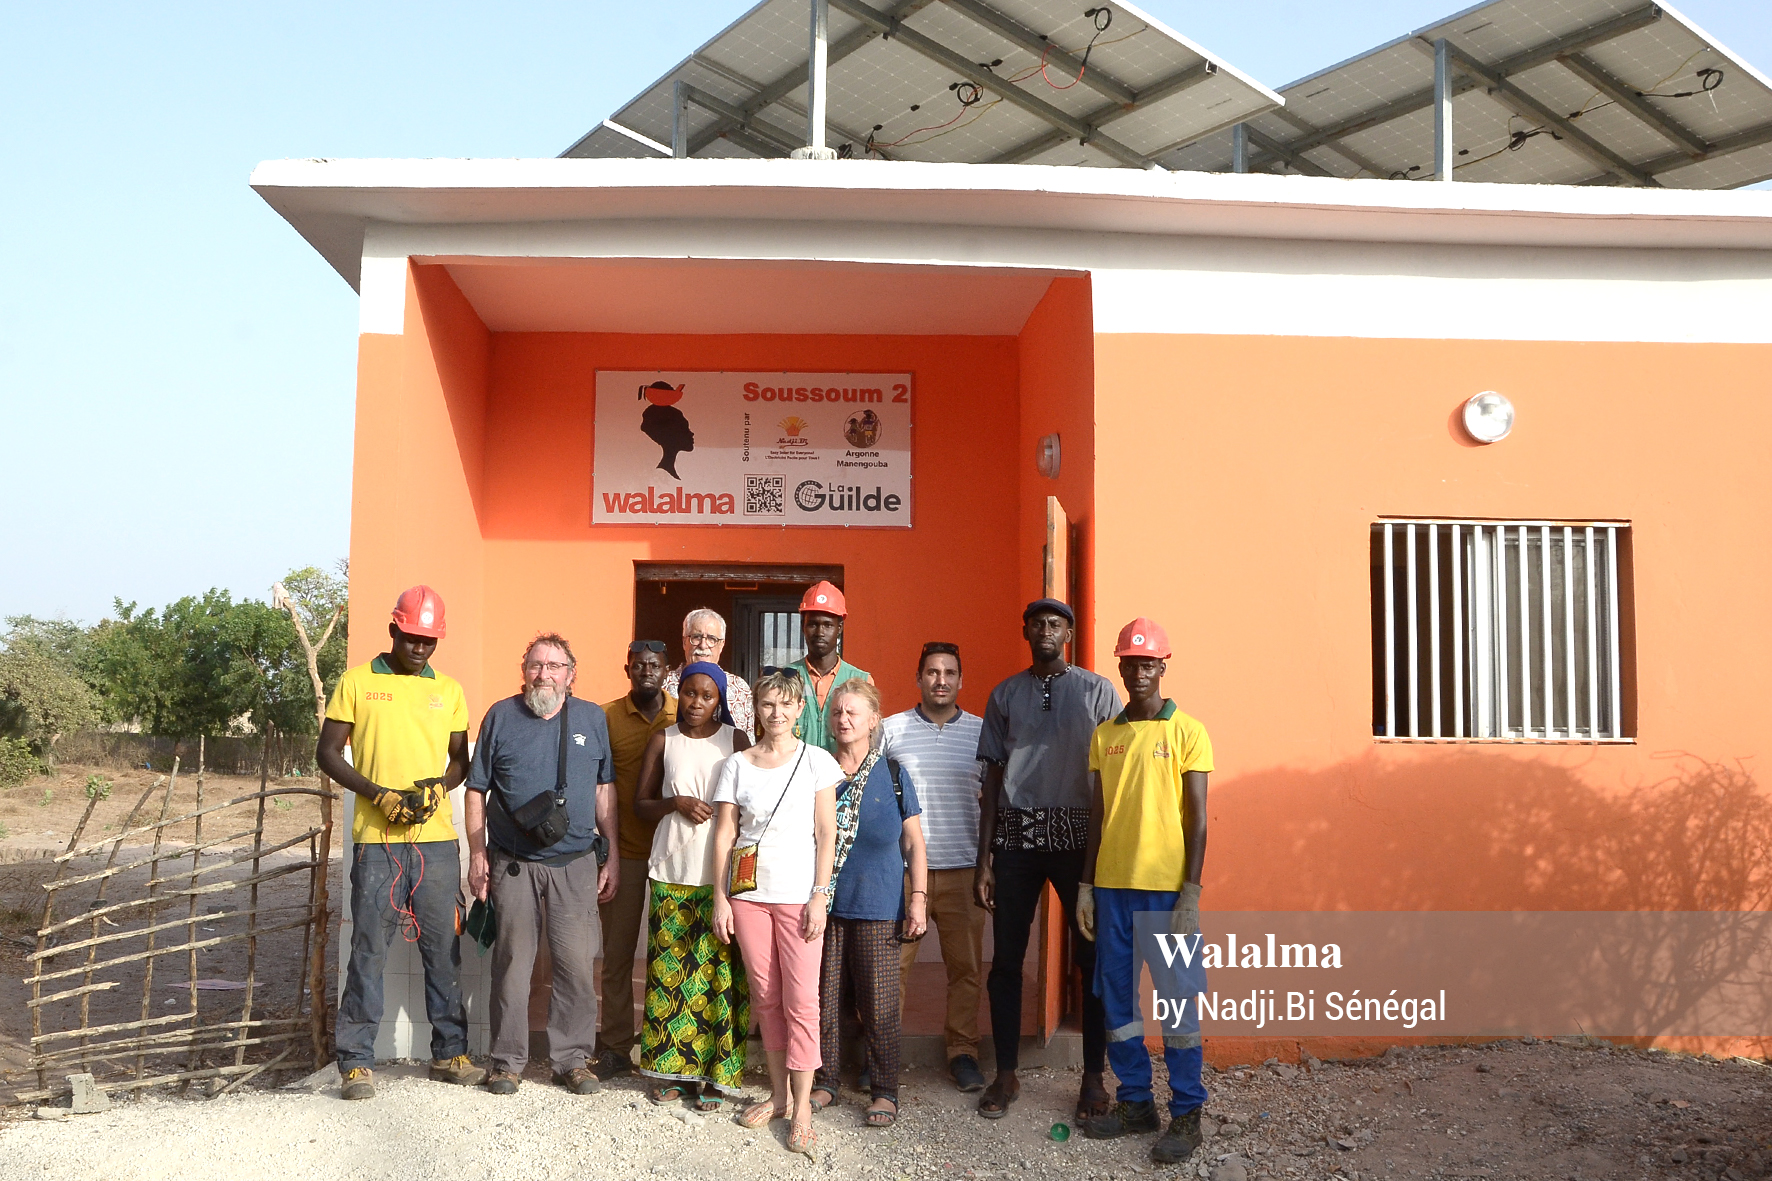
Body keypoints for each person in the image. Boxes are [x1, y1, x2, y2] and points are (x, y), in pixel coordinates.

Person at [317, 585, 484, 1100]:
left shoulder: (449, 691)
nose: (420, 648)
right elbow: (328, 753)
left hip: (435, 844)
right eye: (412, 637)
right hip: (376, 842)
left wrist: (440, 786)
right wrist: (377, 794)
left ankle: (449, 1053)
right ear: (393, 629)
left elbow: (462, 761)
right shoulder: (357, 683)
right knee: (368, 950)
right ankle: (356, 1061)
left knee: (443, 950)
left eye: (429, 640)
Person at [973, 598, 1122, 1122]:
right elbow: (991, 780)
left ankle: (1093, 1079)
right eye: (1035, 622)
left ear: (1070, 633)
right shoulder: (1005, 694)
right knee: (1007, 961)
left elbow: (1113, 775)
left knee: (1092, 960)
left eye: (1054, 623)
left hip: (1080, 846)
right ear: (1025, 631)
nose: (1044, 629)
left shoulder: (1098, 691)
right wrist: (984, 860)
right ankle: (1007, 1072)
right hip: (1015, 841)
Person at [1077, 618, 1215, 1165]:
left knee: (1178, 1005)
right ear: (1120, 667)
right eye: (1129, 663)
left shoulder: (1189, 732)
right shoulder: (1105, 735)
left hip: (1167, 893)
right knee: (1118, 1003)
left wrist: (1191, 894)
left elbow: (1200, 821)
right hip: (1112, 890)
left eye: (1147, 663)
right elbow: (1097, 816)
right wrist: (1085, 886)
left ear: (1163, 666)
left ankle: (1187, 1112)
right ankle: (1136, 1102)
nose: (1138, 672)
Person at [465, 633, 618, 1096]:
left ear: (571, 674)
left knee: (575, 965)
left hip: (574, 865)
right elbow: (477, 790)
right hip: (512, 865)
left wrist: (612, 851)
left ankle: (571, 1060)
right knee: (512, 965)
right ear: (524, 669)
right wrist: (476, 854)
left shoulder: (591, 718)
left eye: (554, 666)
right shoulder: (501, 715)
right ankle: (507, 1062)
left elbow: (602, 788)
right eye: (535, 664)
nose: (544, 673)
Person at [710, 670, 841, 1160]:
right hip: (748, 896)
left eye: (786, 704)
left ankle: (803, 1106)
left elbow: (826, 833)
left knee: (802, 1000)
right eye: (767, 704)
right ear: (755, 709)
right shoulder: (737, 765)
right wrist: (721, 896)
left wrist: (819, 895)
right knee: (766, 997)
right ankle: (779, 1096)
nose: (777, 713)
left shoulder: (817, 762)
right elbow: (725, 835)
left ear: (800, 708)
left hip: (797, 895)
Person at [632, 661, 751, 1108]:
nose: (696, 703)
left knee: (718, 975)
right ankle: (670, 1074)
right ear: (678, 694)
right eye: (689, 694)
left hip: (719, 876)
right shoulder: (664, 738)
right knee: (670, 976)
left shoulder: (735, 741)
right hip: (672, 870)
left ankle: (714, 1075)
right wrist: (673, 802)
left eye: (707, 696)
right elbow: (640, 804)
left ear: (720, 701)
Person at [810, 680, 928, 1128]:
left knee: (879, 1006)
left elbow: (914, 844)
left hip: (879, 907)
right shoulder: (817, 770)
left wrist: (917, 900)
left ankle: (883, 1090)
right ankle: (826, 1080)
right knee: (826, 1001)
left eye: (853, 713)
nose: (843, 719)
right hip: (824, 904)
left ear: (873, 720)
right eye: (838, 712)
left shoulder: (894, 774)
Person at [879, 641, 988, 1093]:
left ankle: (962, 1053)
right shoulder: (891, 730)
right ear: (919, 678)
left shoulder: (983, 733)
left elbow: (996, 801)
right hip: (903, 876)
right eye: (931, 672)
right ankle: (882, 1055)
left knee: (964, 970)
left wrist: (989, 865)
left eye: (949, 673)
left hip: (963, 869)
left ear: (961, 681)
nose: (940, 680)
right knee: (891, 968)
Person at [591, 639, 678, 1081]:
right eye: (640, 664)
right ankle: (616, 1047)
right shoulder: (605, 717)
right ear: (627, 669)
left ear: (667, 670)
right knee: (619, 954)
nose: (647, 671)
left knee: (671, 955)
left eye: (655, 665)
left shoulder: (686, 713)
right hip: (622, 852)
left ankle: (668, 1047)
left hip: (675, 855)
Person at [787, 581, 870, 753]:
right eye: (813, 624)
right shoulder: (785, 677)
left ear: (839, 628)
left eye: (827, 625)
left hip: (843, 777)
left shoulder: (861, 680)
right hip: (795, 776)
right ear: (803, 626)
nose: (819, 632)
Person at [662, 608, 754, 736]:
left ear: (722, 645)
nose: (703, 645)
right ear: (684, 642)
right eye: (696, 637)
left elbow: (749, 742)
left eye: (712, 639)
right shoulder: (663, 685)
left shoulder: (740, 688)